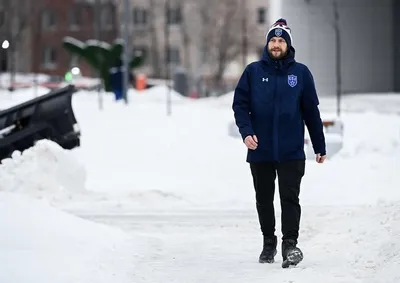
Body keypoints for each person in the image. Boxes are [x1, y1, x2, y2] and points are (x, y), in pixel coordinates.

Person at [232, 18, 327, 268]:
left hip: (291, 150)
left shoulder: (301, 73)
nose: (276, 44)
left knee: (289, 198)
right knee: (264, 198)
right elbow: (240, 106)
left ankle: (290, 244)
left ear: (288, 45)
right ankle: (268, 242)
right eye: (273, 40)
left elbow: (311, 112)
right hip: (260, 149)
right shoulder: (253, 72)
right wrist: (246, 132)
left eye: (281, 40)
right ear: (267, 44)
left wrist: (320, 145)